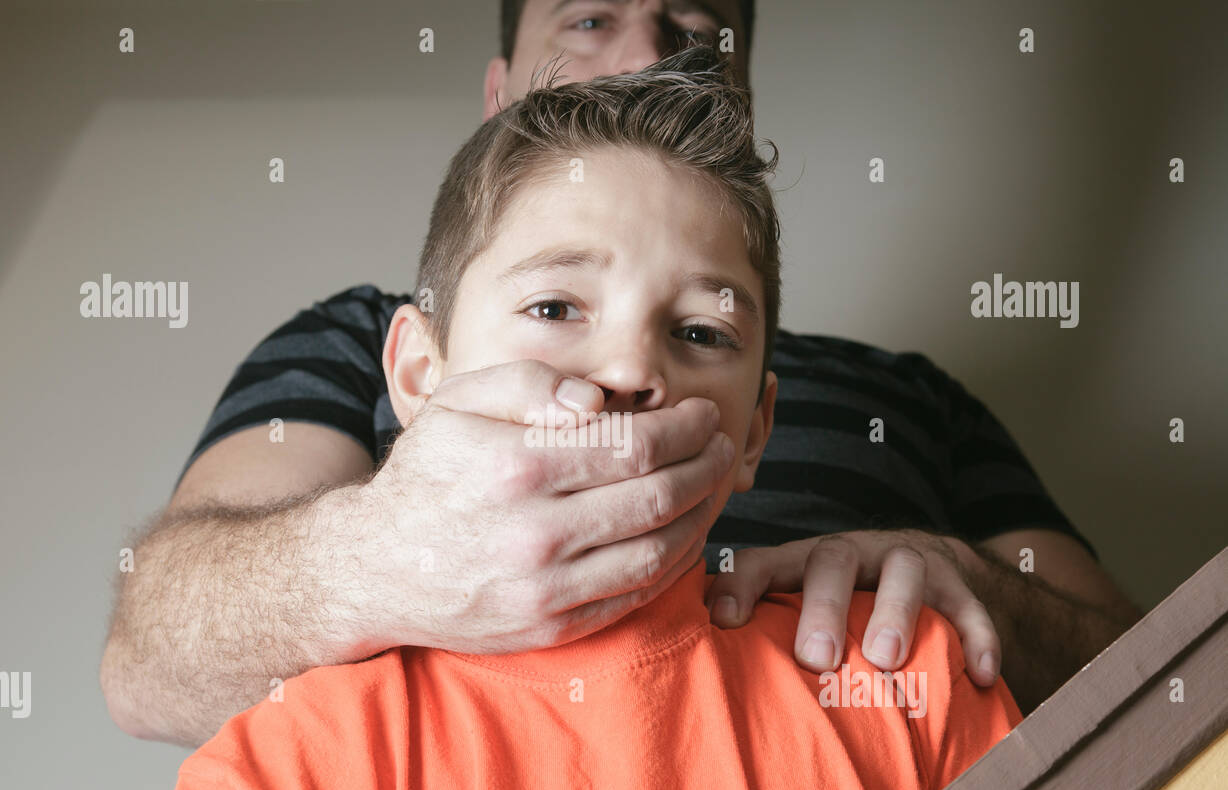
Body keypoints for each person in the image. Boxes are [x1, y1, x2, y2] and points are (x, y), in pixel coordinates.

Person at [102, 0, 1143, 751]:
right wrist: (383, 558)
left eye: (691, 32)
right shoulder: (348, 342)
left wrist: (975, 602)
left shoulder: (914, 400)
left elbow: (1173, 702)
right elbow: (147, 664)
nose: (649, 53)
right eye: (590, 18)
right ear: (500, 91)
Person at [150, 49, 1023, 790]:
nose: (633, 370)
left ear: (755, 432)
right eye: (557, 307)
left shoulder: (914, 689)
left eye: (698, 332)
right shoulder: (285, 772)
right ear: (418, 374)